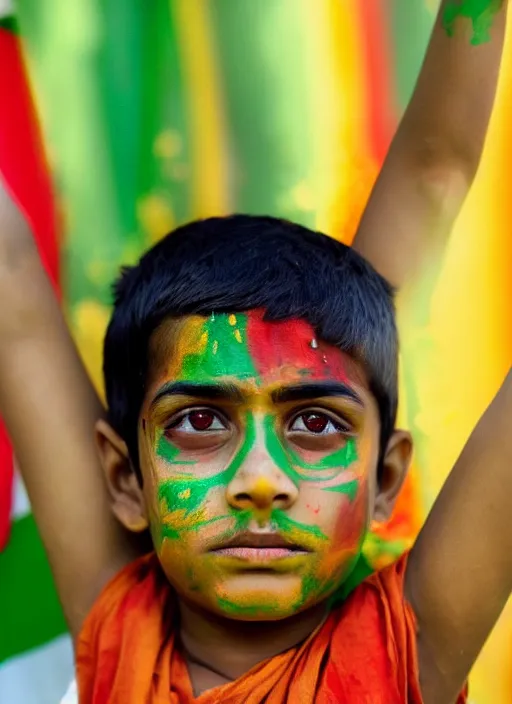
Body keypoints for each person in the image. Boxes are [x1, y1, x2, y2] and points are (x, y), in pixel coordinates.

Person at [0, 1, 508, 702]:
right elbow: (10, 280)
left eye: (316, 424)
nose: (262, 480)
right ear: (122, 478)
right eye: (201, 422)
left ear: (386, 477)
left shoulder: (404, 655)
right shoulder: (121, 629)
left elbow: (436, 172)